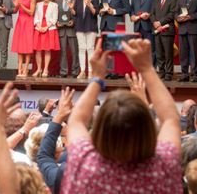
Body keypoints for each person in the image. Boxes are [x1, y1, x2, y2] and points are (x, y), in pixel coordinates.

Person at [61, 38, 182, 193]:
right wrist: (146, 68)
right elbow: (171, 119)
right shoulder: (164, 165)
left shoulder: (84, 163)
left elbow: (76, 121)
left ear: (100, 130)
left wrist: (97, 78)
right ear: (147, 130)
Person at [150, 0, 178, 81]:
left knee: (168, 53)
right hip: (157, 30)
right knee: (159, 53)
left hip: (167, 31)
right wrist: (154, 22)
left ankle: (168, 74)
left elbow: (172, 14)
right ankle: (161, 72)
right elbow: (151, 13)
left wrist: (160, 22)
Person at [130, 0, 159, 65]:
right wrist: (132, 15)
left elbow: (158, 9)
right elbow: (132, 8)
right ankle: (140, 70)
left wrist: (150, 15)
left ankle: (151, 71)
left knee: (150, 49)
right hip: (137, 26)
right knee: (138, 50)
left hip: (149, 26)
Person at [32, 0, 60, 78]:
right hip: (39, 29)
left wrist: (46, 27)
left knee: (47, 50)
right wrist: (39, 26)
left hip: (49, 29)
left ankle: (45, 69)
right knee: (38, 51)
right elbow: (35, 18)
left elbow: (55, 19)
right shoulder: (38, 4)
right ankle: (39, 69)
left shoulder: (54, 5)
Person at [11, 0, 36, 77]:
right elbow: (15, 11)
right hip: (20, 22)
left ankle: (26, 70)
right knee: (19, 46)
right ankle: (19, 70)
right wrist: (16, 5)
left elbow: (31, 12)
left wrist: (21, 4)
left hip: (28, 22)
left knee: (27, 46)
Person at [75, 0, 99, 78]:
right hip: (80, 26)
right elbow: (75, 13)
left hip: (91, 26)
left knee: (90, 48)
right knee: (81, 48)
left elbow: (95, 12)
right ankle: (82, 71)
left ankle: (90, 71)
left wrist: (90, 5)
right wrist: (72, 8)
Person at [55, 0, 80, 78]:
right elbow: (55, 14)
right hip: (61, 30)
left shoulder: (76, 0)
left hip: (72, 30)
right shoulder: (58, 1)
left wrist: (73, 21)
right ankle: (63, 72)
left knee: (74, 52)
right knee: (63, 53)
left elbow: (79, 14)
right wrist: (56, 22)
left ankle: (75, 72)